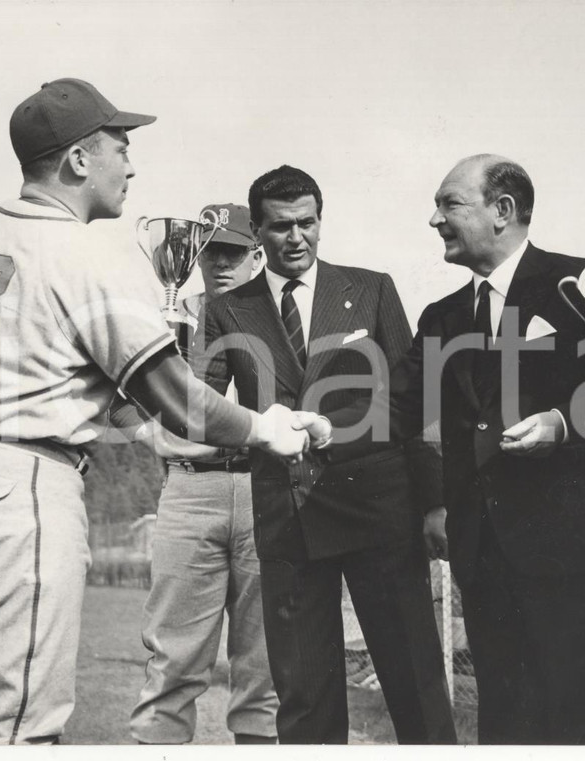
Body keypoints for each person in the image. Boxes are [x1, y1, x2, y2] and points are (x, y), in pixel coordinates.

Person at [0, 78, 311, 745]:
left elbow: (53, 374)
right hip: (10, 495)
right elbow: (174, 398)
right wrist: (265, 427)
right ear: (79, 160)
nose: (132, 164)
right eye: (120, 146)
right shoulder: (82, 252)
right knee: (12, 730)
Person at [307, 155, 585, 743]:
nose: (434, 219)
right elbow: (396, 407)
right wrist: (320, 431)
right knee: (508, 727)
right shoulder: (443, 318)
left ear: (503, 211)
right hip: (488, 562)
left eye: (449, 204)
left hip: (581, 558)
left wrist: (561, 427)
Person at [194, 165, 456, 744]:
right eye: (281, 226)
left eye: (307, 223)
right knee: (305, 699)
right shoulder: (224, 309)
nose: (296, 238)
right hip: (288, 517)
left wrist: (436, 502)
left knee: (415, 683)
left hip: (379, 510)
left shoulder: (371, 289)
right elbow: (201, 408)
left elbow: (414, 403)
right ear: (258, 233)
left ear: (320, 221)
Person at [128, 203, 279, 744]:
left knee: (264, 668)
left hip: (265, 486)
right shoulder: (170, 312)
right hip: (191, 487)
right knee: (173, 659)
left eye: (233, 253)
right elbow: (116, 388)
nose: (220, 264)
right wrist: (150, 435)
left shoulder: (277, 314)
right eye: (210, 251)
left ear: (257, 255)